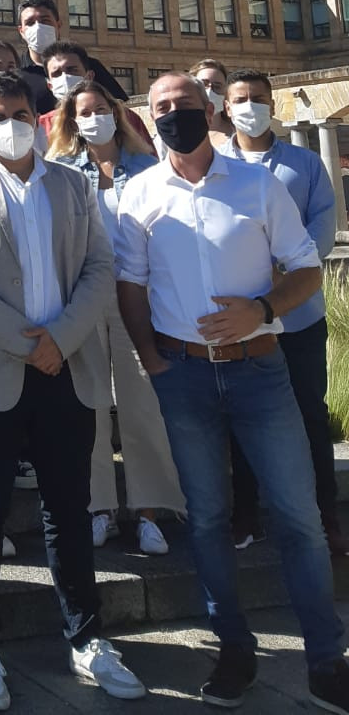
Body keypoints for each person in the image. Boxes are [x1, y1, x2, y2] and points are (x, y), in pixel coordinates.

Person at [116, 73, 349, 712]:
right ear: (149, 116)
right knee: (209, 518)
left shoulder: (258, 184)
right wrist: (150, 359)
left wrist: (262, 310)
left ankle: (327, 659)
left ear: (207, 107)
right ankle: (234, 648)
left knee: (298, 516)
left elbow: (305, 268)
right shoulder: (137, 195)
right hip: (184, 376)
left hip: (258, 368)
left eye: (184, 105)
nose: (173, 115)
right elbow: (131, 286)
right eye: (161, 108)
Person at [0, 72, 143, 711]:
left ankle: (86, 636)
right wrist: (29, 343)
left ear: (40, 117)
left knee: (68, 512)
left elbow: (100, 268)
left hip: (66, 371)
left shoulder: (73, 185)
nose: (9, 125)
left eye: (19, 113)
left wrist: (61, 338)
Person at [46, 82, 182, 557]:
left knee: (142, 402)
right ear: (72, 121)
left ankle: (148, 511)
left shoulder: (148, 167)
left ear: (116, 114)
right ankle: (98, 508)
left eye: (101, 109)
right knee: (91, 406)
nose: (94, 117)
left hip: (136, 298)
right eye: (84, 111)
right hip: (83, 299)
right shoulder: (59, 172)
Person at [218, 69, 344, 555]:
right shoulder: (215, 162)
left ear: (275, 104)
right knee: (241, 415)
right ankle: (246, 513)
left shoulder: (304, 164)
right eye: (242, 99)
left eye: (259, 98)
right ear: (227, 108)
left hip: (299, 315)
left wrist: (285, 270)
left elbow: (323, 222)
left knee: (310, 415)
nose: (251, 106)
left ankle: (325, 514)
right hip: (240, 317)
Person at [16, 0, 127, 116]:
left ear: (58, 25)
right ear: (21, 31)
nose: (38, 27)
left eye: (45, 20)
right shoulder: (17, 76)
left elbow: (120, 108)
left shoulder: (90, 66)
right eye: (30, 23)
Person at [190, 59, 235, 146]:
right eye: (204, 84)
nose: (210, 91)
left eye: (217, 86)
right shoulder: (177, 132)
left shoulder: (238, 133)